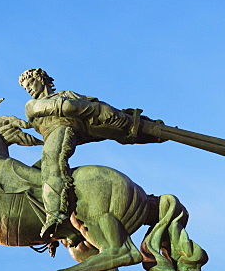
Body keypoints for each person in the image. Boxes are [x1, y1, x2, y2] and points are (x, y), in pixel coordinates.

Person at [17, 68, 166, 236]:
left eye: (30, 83)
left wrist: (117, 117)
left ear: (41, 79)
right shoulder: (32, 105)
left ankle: (56, 214)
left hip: (64, 130)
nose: (28, 89)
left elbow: (85, 108)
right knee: (38, 173)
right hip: (59, 131)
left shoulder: (66, 94)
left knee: (52, 164)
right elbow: (67, 107)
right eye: (25, 87)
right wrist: (97, 109)